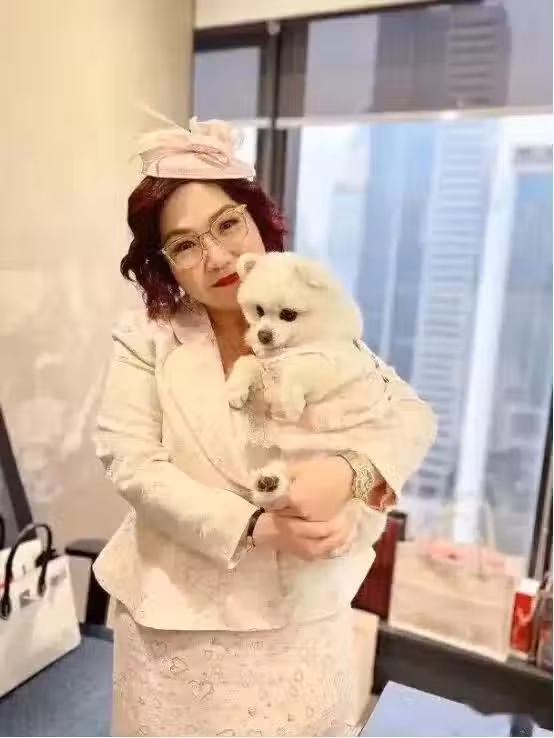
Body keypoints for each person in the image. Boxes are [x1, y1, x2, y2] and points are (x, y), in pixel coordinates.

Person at [93, 118, 436, 737]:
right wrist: (255, 526)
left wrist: (351, 473)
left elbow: (408, 415)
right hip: (178, 626)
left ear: (256, 220)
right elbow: (131, 462)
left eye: (227, 224)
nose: (216, 256)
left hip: (301, 626)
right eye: (185, 244)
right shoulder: (148, 339)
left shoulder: (310, 316)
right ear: (165, 263)